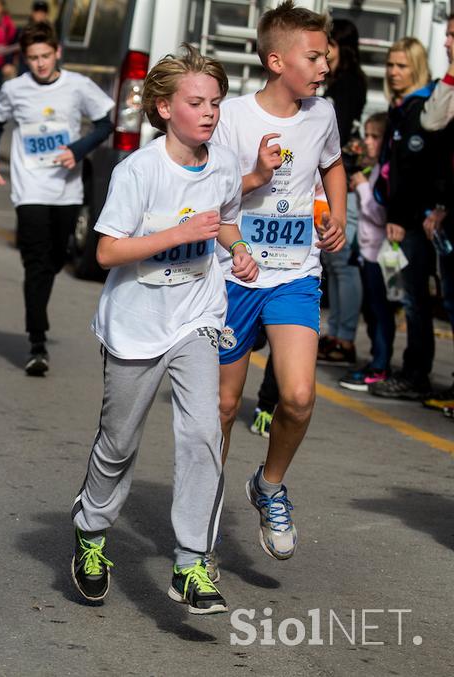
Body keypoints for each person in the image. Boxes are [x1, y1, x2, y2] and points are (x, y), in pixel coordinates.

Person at [70, 44, 257, 613]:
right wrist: (177, 235)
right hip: (135, 324)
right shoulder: (139, 171)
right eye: (196, 102)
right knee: (119, 443)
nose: (208, 113)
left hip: (196, 317)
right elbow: (105, 251)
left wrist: (239, 248)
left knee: (204, 433)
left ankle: (191, 563)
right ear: (163, 108)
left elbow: (223, 222)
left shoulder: (224, 164)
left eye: (216, 103)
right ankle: (91, 530)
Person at [212, 1, 346, 562]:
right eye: (312, 57)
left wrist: (335, 212)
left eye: (325, 56)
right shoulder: (234, 117)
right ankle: (206, 502)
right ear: (275, 59)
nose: (323, 66)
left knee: (296, 396)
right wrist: (259, 177)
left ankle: (269, 485)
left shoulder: (323, 114)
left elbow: (333, 164)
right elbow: (211, 193)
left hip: (295, 272)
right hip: (234, 273)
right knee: (222, 405)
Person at [0, 21, 113, 375]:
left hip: (67, 190)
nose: (40, 64)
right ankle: (37, 342)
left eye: (45, 56)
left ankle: (39, 319)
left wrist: (77, 148)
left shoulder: (78, 87)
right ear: (25, 59)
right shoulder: (15, 89)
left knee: (57, 257)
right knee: (37, 263)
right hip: (31, 189)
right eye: (32, 58)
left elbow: (105, 122)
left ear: (57, 53)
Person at [368, 37, 454, 401]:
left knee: (416, 300)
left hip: (417, 220)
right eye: (390, 65)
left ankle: (416, 372)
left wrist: (401, 216)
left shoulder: (423, 105)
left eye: (402, 65)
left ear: (417, 67)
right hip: (407, 217)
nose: (393, 71)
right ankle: (410, 368)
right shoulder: (402, 107)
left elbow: (415, 173)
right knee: (410, 298)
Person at [318, 17, 367, 366]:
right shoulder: (338, 82)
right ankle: (335, 332)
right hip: (336, 180)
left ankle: (344, 337)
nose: (323, 56)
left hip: (344, 179)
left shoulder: (348, 84)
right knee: (334, 264)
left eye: (329, 47)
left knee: (342, 261)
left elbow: (336, 136)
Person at [340, 112, 394, 391]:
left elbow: (379, 214)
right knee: (371, 312)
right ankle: (376, 360)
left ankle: (381, 364)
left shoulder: (383, 172)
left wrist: (361, 189)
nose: (369, 143)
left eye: (376, 137)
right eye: (367, 136)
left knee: (381, 312)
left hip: (379, 254)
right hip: (366, 251)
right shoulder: (372, 169)